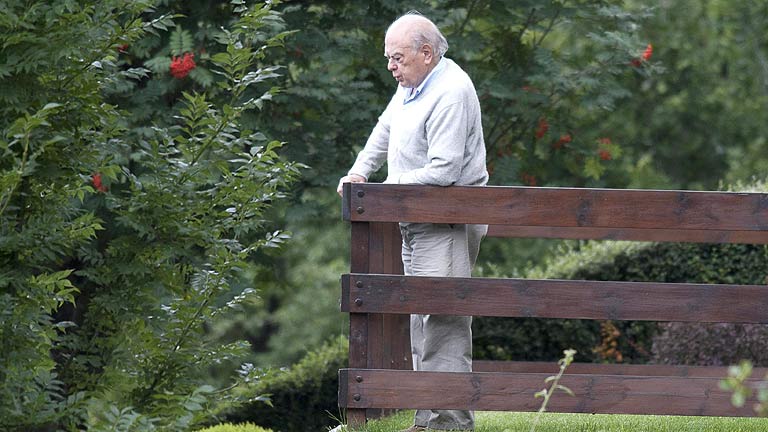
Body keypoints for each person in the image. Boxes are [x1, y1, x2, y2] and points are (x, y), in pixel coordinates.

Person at [336, 11, 488, 432]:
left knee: (443, 319)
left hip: (446, 221)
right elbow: (385, 128)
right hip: (416, 217)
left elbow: (444, 170)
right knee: (422, 317)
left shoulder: (451, 91)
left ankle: (449, 423)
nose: (390, 66)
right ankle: (429, 419)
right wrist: (360, 172)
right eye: (389, 57)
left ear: (426, 53)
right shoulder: (413, 85)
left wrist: (387, 189)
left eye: (397, 58)